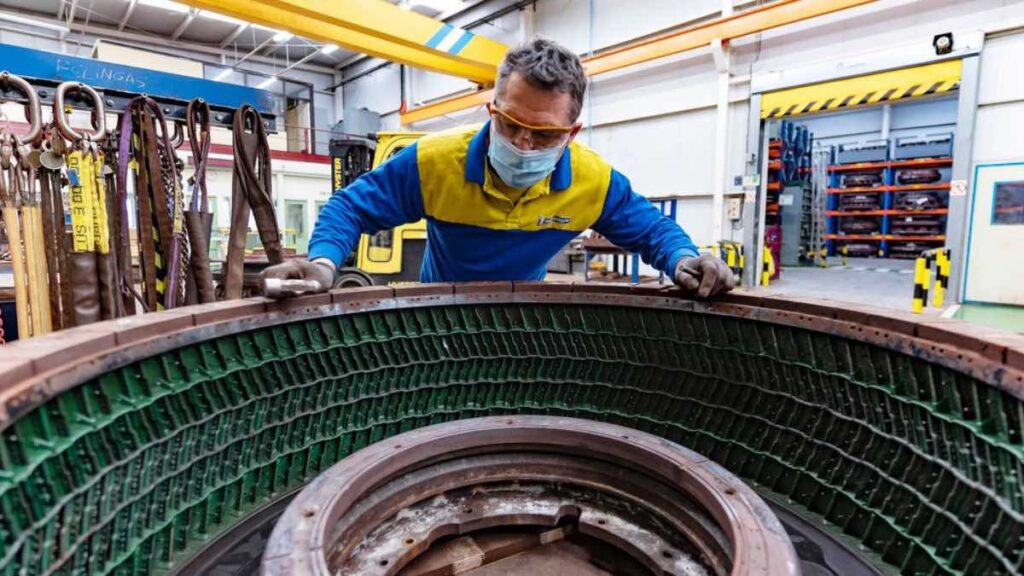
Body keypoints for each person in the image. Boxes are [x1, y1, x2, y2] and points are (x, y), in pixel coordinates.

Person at [262, 37, 733, 298]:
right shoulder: (434, 164)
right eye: (509, 125)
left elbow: (652, 230)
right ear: (492, 110)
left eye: (544, 135)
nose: (523, 144)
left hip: (520, 313)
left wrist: (684, 259)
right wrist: (323, 262)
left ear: (572, 133)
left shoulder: (593, 182)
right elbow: (350, 208)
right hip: (439, 311)